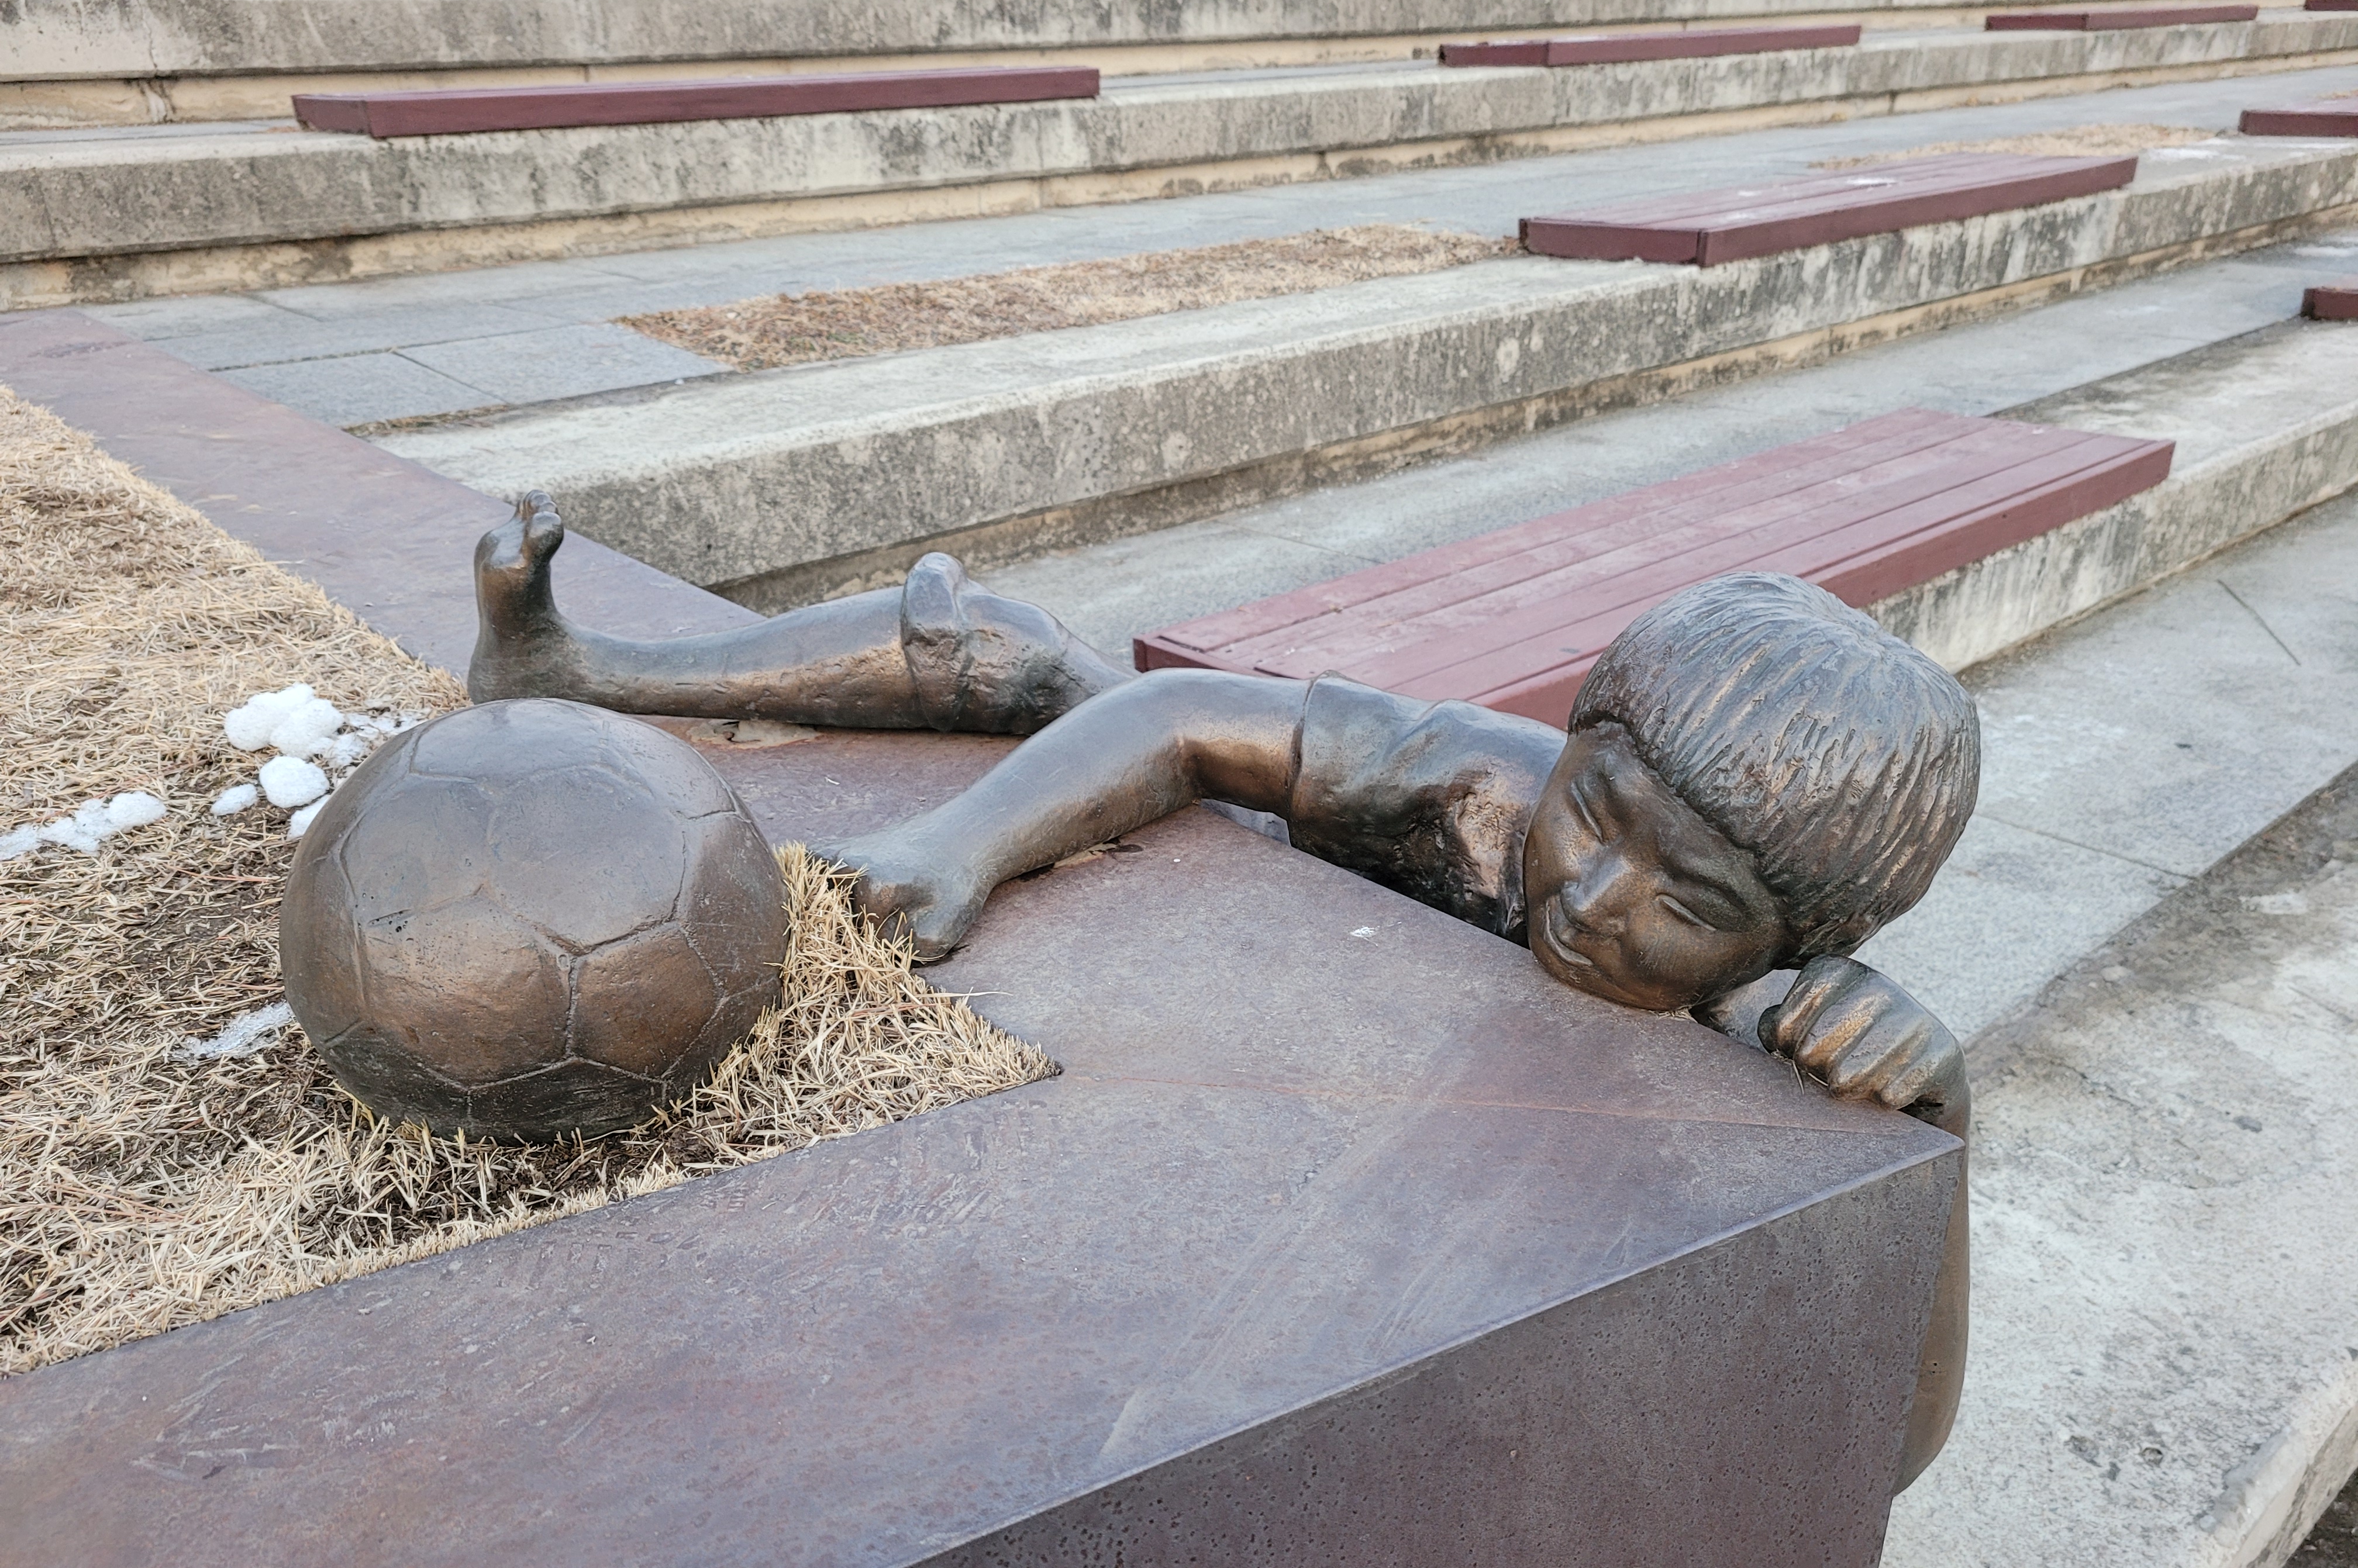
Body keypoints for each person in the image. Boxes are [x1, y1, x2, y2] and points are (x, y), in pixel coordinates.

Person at [474, 492, 1977, 1486]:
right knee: (1014, 660)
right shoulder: (1488, 779)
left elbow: (1893, 1457)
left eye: (1688, 905)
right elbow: (1186, 714)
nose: (1594, 897)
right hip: (1269, 910)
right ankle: (581, 670)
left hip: (1403, 1249)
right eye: (1595, 815)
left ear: (1794, 937)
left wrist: (1935, 1129)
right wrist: (960, 844)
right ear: (1576, 745)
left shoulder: (1791, 1024)